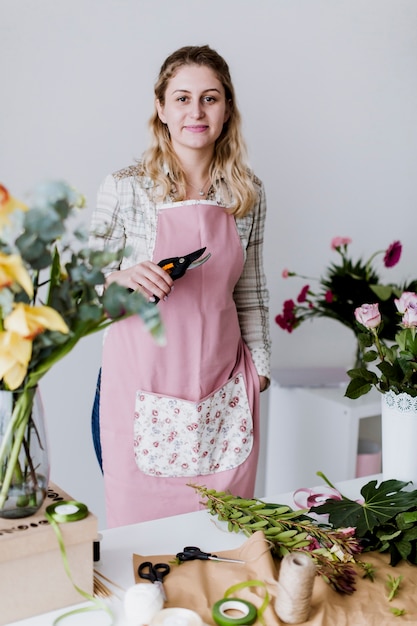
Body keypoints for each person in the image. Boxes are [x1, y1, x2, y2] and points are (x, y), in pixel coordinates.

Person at [89, 45, 271, 528]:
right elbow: (81, 287)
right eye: (183, 98)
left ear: (226, 108)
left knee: (224, 538)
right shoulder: (124, 187)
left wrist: (261, 370)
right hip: (139, 390)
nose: (196, 111)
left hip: (223, 393)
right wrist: (117, 277)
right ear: (162, 108)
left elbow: (249, 289)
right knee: (142, 549)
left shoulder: (246, 192)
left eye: (210, 98)